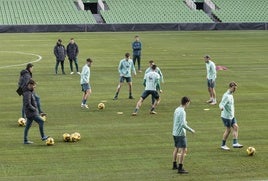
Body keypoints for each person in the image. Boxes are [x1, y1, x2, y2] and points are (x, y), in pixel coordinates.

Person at [172, 96, 195, 174]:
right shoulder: (182, 111)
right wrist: (191, 130)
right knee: (184, 149)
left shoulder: (177, 109)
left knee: (176, 148)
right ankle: (180, 168)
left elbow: (177, 121)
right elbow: (182, 125)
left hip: (175, 132)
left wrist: (185, 122)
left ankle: (174, 164)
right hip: (180, 133)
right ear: (186, 103)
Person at [23, 79, 49, 144]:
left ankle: (25, 140)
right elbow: (28, 104)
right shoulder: (27, 93)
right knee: (41, 121)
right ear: (30, 85)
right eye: (34, 86)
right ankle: (43, 136)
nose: (35, 87)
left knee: (28, 126)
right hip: (31, 112)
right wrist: (34, 109)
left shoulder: (29, 91)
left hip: (30, 112)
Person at [219, 81, 243, 150]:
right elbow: (221, 104)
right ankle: (223, 145)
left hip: (231, 116)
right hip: (226, 116)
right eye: (234, 88)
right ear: (230, 87)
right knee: (228, 130)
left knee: (236, 127)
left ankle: (235, 143)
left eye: (235, 88)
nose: (235, 90)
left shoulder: (231, 94)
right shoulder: (226, 96)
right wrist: (221, 107)